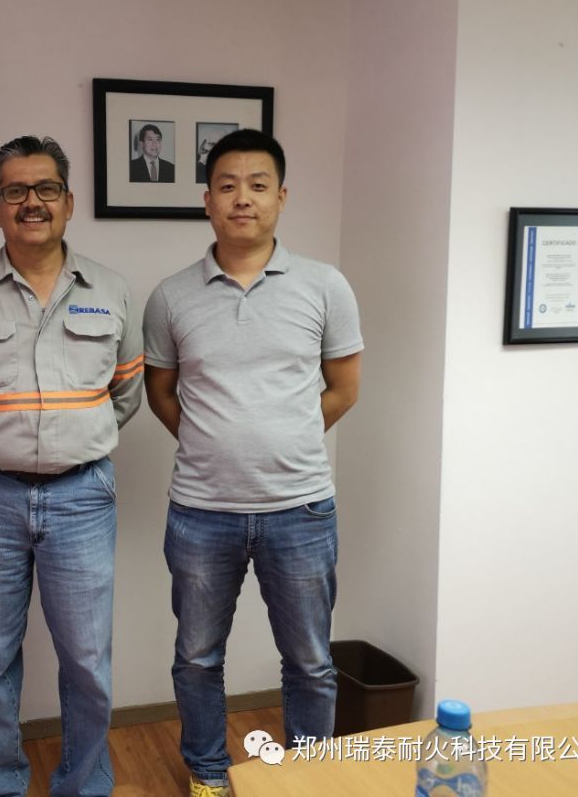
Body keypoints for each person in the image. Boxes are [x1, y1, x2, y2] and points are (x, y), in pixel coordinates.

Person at [0, 135, 143, 797]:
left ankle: (84, 786)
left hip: (83, 498)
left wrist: (75, 441)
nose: (32, 203)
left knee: (88, 662)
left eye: (45, 189)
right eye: (14, 191)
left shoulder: (112, 289)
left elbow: (126, 392)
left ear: (69, 201)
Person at [142, 128, 362, 797]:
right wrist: (214, 442)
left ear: (281, 197)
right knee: (197, 658)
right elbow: (161, 393)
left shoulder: (325, 286)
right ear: (207, 200)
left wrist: (286, 438)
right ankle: (209, 775)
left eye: (258, 185)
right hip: (201, 513)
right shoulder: (171, 296)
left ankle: (307, 779)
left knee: (311, 662)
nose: (244, 198)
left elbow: (344, 388)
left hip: (301, 510)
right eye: (228, 186)